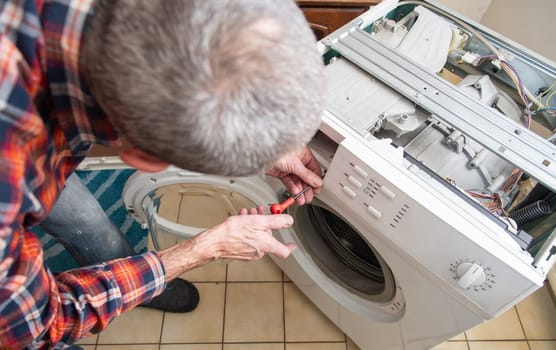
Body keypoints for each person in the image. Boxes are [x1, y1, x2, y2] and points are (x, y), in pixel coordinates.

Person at [0, 0, 326, 348]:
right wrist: (202, 249)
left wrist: (267, 145)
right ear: (142, 159)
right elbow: (39, 325)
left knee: (84, 220)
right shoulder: (9, 185)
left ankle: (139, 285)